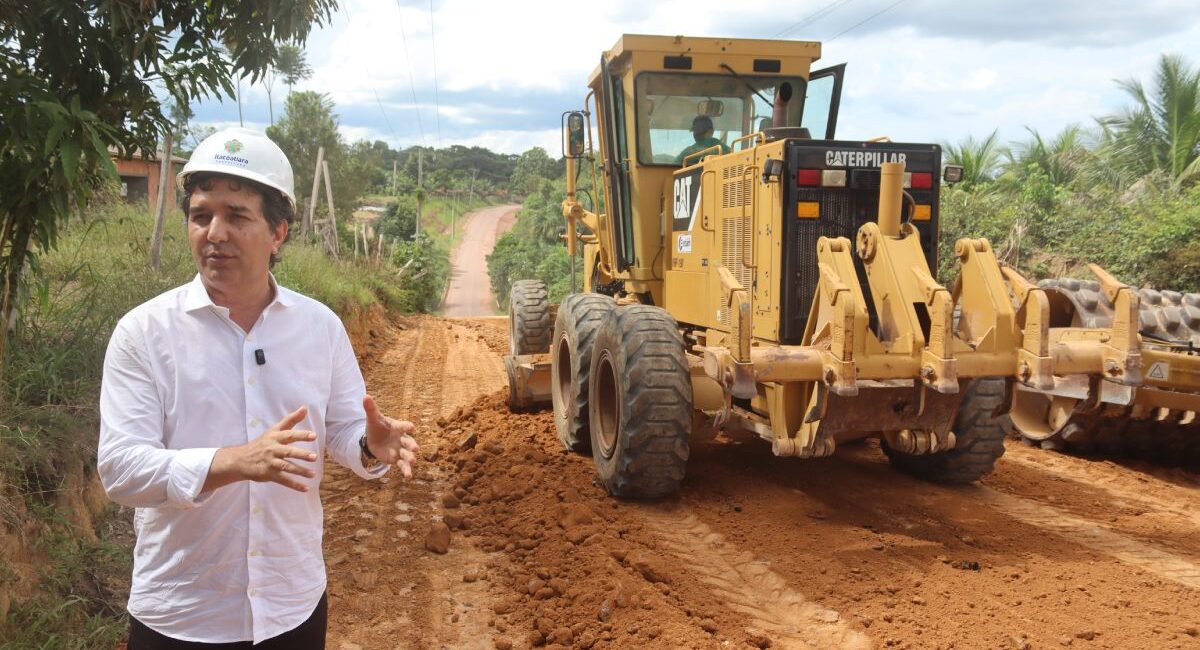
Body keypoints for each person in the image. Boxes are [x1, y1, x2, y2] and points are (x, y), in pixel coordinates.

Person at [97, 127, 419, 649]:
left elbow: (341, 429)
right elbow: (120, 469)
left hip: (292, 607)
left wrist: (368, 446)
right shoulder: (144, 333)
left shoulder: (319, 327)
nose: (215, 232)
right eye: (201, 215)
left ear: (278, 232)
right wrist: (233, 461)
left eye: (237, 216)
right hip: (182, 614)